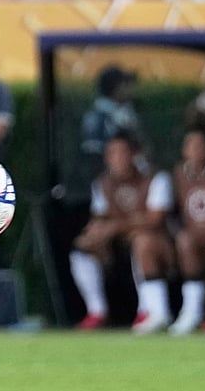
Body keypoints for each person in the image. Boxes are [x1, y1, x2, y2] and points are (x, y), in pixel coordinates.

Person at [69, 133, 174, 332]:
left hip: (160, 243)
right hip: (119, 243)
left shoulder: (155, 179)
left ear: (134, 155)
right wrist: (95, 233)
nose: (117, 158)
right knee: (82, 248)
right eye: (112, 153)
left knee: (142, 242)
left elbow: (154, 220)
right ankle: (97, 312)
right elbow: (100, 217)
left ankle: (150, 311)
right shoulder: (102, 183)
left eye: (122, 152)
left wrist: (116, 227)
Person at [170, 125, 205, 334]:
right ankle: (192, 311)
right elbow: (170, 213)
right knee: (185, 241)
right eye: (190, 145)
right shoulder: (178, 175)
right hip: (194, 238)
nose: (195, 150)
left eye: (200, 145)